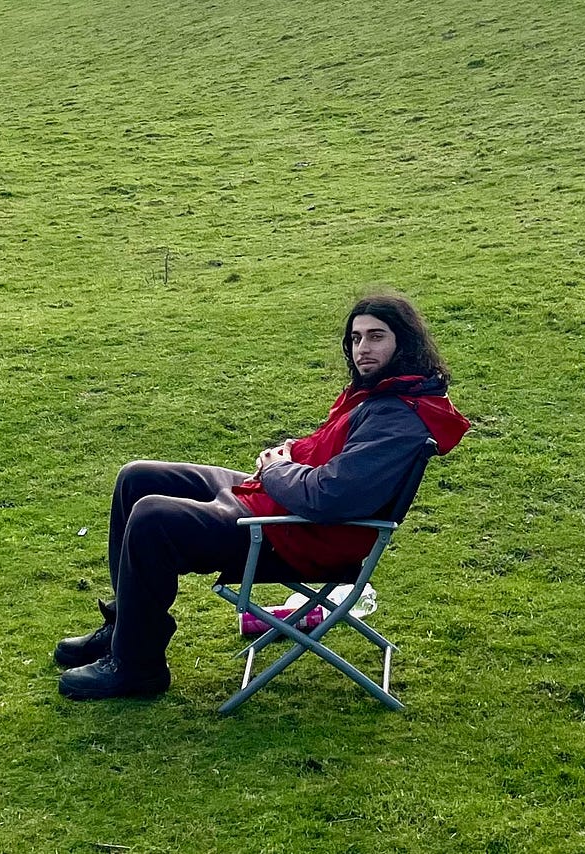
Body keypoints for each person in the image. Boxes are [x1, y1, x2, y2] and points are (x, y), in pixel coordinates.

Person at [56, 292, 471, 700]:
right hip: (283, 506)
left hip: (298, 536)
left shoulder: (398, 416)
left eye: (376, 336)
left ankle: (137, 666)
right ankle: (125, 629)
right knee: (137, 478)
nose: (362, 348)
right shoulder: (386, 394)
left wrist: (276, 469)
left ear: (405, 342)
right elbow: (335, 460)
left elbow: (330, 497)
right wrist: (292, 453)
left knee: (152, 518)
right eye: (356, 338)